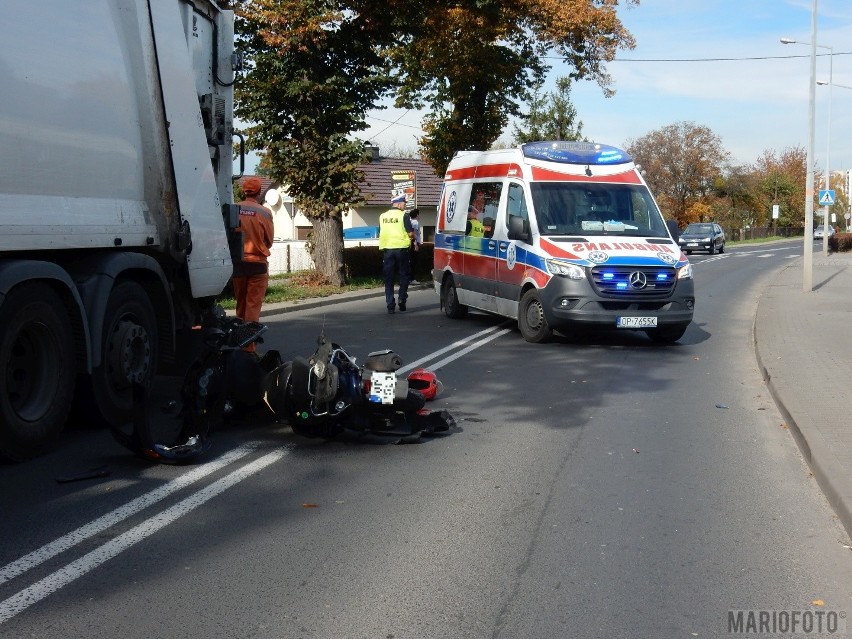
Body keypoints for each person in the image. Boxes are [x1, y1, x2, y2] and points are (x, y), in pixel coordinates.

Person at [232, 176, 274, 351]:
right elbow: (269, 240)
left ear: (244, 191)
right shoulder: (264, 212)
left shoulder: (235, 209)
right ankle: (248, 349)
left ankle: (237, 343)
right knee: (252, 308)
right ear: (259, 192)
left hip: (238, 264)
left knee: (240, 306)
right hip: (258, 265)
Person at [379, 193, 415, 313]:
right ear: (399, 204)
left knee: (389, 278)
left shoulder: (382, 216)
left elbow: (381, 231)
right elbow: (410, 233)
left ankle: (390, 305)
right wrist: (414, 237)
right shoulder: (404, 215)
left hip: (387, 251)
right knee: (404, 275)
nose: (405, 205)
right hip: (401, 250)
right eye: (404, 203)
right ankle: (402, 299)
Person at [408, 208, 422, 283]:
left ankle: (410, 278)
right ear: (417, 215)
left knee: (411, 261)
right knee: (414, 261)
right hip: (414, 243)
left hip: (412, 243)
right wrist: (416, 243)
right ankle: (412, 278)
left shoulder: (410, 221)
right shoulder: (415, 223)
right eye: (419, 214)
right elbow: (414, 234)